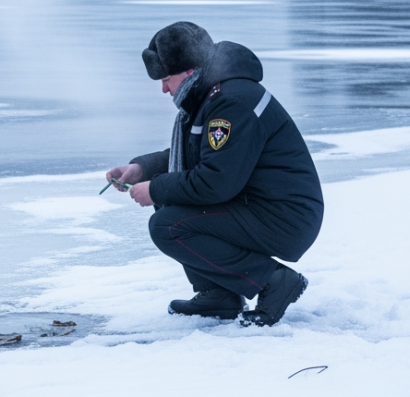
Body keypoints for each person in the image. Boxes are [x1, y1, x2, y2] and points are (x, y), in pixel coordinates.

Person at [105, 21, 322, 326]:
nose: (163, 88)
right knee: (170, 198)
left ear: (189, 70)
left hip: (286, 217)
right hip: (263, 205)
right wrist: (142, 169)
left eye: (167, 78)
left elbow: (215, 181)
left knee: (168, 224)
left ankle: (273, 281)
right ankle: (218, 293)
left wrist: (154, 188)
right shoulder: (211, 94)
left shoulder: (230, 102)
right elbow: (202, 157)